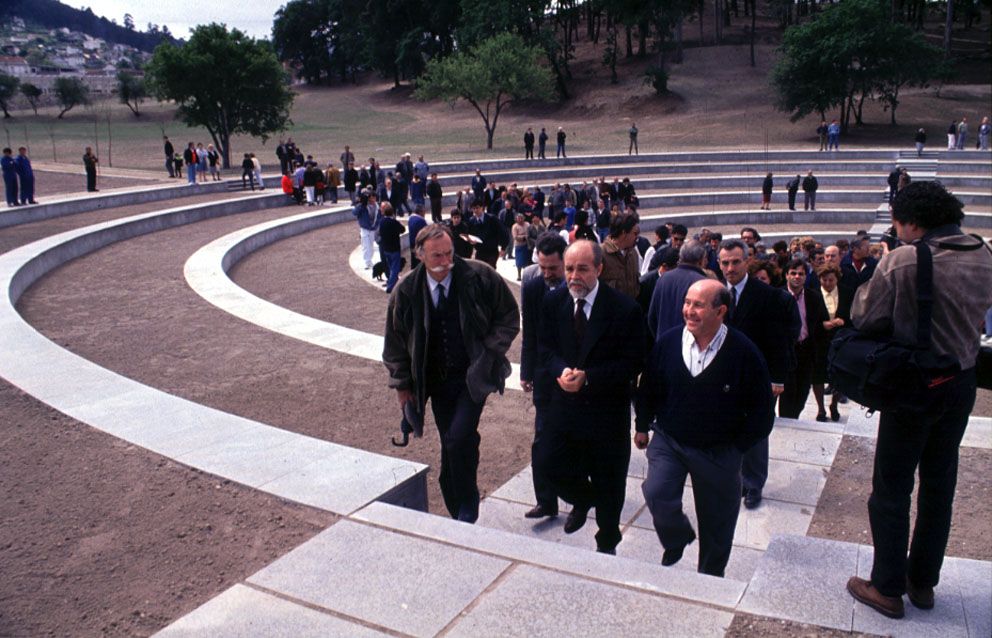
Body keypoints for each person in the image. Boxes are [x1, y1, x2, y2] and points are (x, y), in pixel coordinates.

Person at [845, 181, 992, 620]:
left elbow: (863, 315)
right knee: (939, 485)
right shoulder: (984, 253)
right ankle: (922, 582)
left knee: (890, 488)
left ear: (910, 222)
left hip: (914, 385)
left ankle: (887, 587)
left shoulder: (904, 260)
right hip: (962, 381)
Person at [636, 279, 773, 576]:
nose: (688, 310)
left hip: (718, 452)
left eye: (698, 305)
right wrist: (642, 425)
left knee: (718, 524)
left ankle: (710, 576)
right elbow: (648, 388)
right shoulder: (668, 342)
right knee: (657, 491)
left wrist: (736, 448)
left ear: (720, 311)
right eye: (687, 303)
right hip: (670, 440)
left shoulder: (744, 353)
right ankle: (677, 538)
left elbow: (762, 412)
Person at [383, 224, 519, 523]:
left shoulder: (480, 276)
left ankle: (466, 504)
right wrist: (403, 390)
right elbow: (394, 347)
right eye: (437, 256)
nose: (445, 261)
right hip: (434, 383)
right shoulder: (405, 291)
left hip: (473, 377)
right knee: (454, 441)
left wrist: (489, 351)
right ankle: (456, 501)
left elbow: (509, 316)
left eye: (448, 253)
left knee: (458, 438)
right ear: (420, 256)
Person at [538, 240, 645, 554]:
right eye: (569, 268)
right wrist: (560, 371)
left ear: (599, 269)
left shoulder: (625, 309)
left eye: (582, 269)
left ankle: (607, 543)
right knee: (548, 465)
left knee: (610, 487)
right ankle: (582, 500)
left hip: (606, 413)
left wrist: (589, 378)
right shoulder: (553, 302)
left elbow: (634, 361)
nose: (573, 276)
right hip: (564, 408)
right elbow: (545, 349)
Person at [720, 239, 799, 509]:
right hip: (723, 375)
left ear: (746, 263)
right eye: (724, 263)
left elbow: (778, 340)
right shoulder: (717, 293)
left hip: (757, 375)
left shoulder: (766, 295)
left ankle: (753, 483)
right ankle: (733, 479)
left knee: (756, 431)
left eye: (735, 262)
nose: (729, 268)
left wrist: (777, 377)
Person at [519, 233, 567, 519]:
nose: (547, 274)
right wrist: (526, 371)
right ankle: (546, 500)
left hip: (576, 376)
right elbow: (531, 331)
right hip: (545, 376)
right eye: (543, 267)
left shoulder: (580, 283)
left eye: (553, 268)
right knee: (542, 439)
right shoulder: (534, 285)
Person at [778, 259, 828, 419]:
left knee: (802, 392)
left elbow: (820, 324)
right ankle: (788, 421)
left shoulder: (814, 297)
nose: (797, 277)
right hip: (786, 351)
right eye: (793, 273)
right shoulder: (777, 296)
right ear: (786, 275)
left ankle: (794, 417)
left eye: (801, 274)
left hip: (806, 351)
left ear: (806, 276)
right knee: (788, 392)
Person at [811, 263, 851, 422]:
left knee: (839, 377)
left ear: (837, 280)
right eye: (824, 280)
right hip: (820, 342)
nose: (827, 283)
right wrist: (822, 324)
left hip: (840, 342)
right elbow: (810, 319)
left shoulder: (846, 293)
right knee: (818, 377)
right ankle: (820, 409)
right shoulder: (813, 294)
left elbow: (852, 315)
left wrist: (843, 322)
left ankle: (834, 405)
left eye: (831, 280)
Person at [647, 240, 709, 340]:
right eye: (706, 258)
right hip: (691, 347)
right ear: (701, 260)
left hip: (664, 344)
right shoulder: (702, 283)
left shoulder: (663, 278)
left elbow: (652, 318)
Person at [600, 213, 641, 299]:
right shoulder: (601, 254)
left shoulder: (633, 253)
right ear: (623, 233)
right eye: (635, 233)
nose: (637, 237)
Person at [378, 203, 404, 293]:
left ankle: (392, 282)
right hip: (395, 248)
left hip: (386, 248)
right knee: (395, 268)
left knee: (390, 267)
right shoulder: (394, 222)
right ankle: (390, 286)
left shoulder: (382, 222)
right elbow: (402, 229)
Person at [353, 192, 380, 271]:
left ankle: (370, 260)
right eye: (371, 198)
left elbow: (379, 216)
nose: (372, 199)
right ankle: (366, 261)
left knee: (371, 245)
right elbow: (354, 212)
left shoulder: (377, 206)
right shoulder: (363, 206)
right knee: (365, 245)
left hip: (373, 228)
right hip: (365, 228)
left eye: (374, 198)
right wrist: (361, 204)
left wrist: (377, 225)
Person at [407, 204, 428, 269]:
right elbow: (425, 233)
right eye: (424, 212)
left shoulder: (411, 218)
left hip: (412, 243)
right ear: (421, 212)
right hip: (419, 244)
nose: (425, 213)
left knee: (413, 261)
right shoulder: (421, 221)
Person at [512, 213, 531, 280]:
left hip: (527, 245)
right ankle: (519, 275)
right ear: (516, 219)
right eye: (518, 218)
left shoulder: (527, 224)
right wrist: (524, 236)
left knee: (527, 262)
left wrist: (525, 236)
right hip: (519, 246)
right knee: (519, 262)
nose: (520, 219)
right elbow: (515, 237)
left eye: (521, 218)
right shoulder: (515, 226)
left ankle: (526, 275)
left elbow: (530, 233)